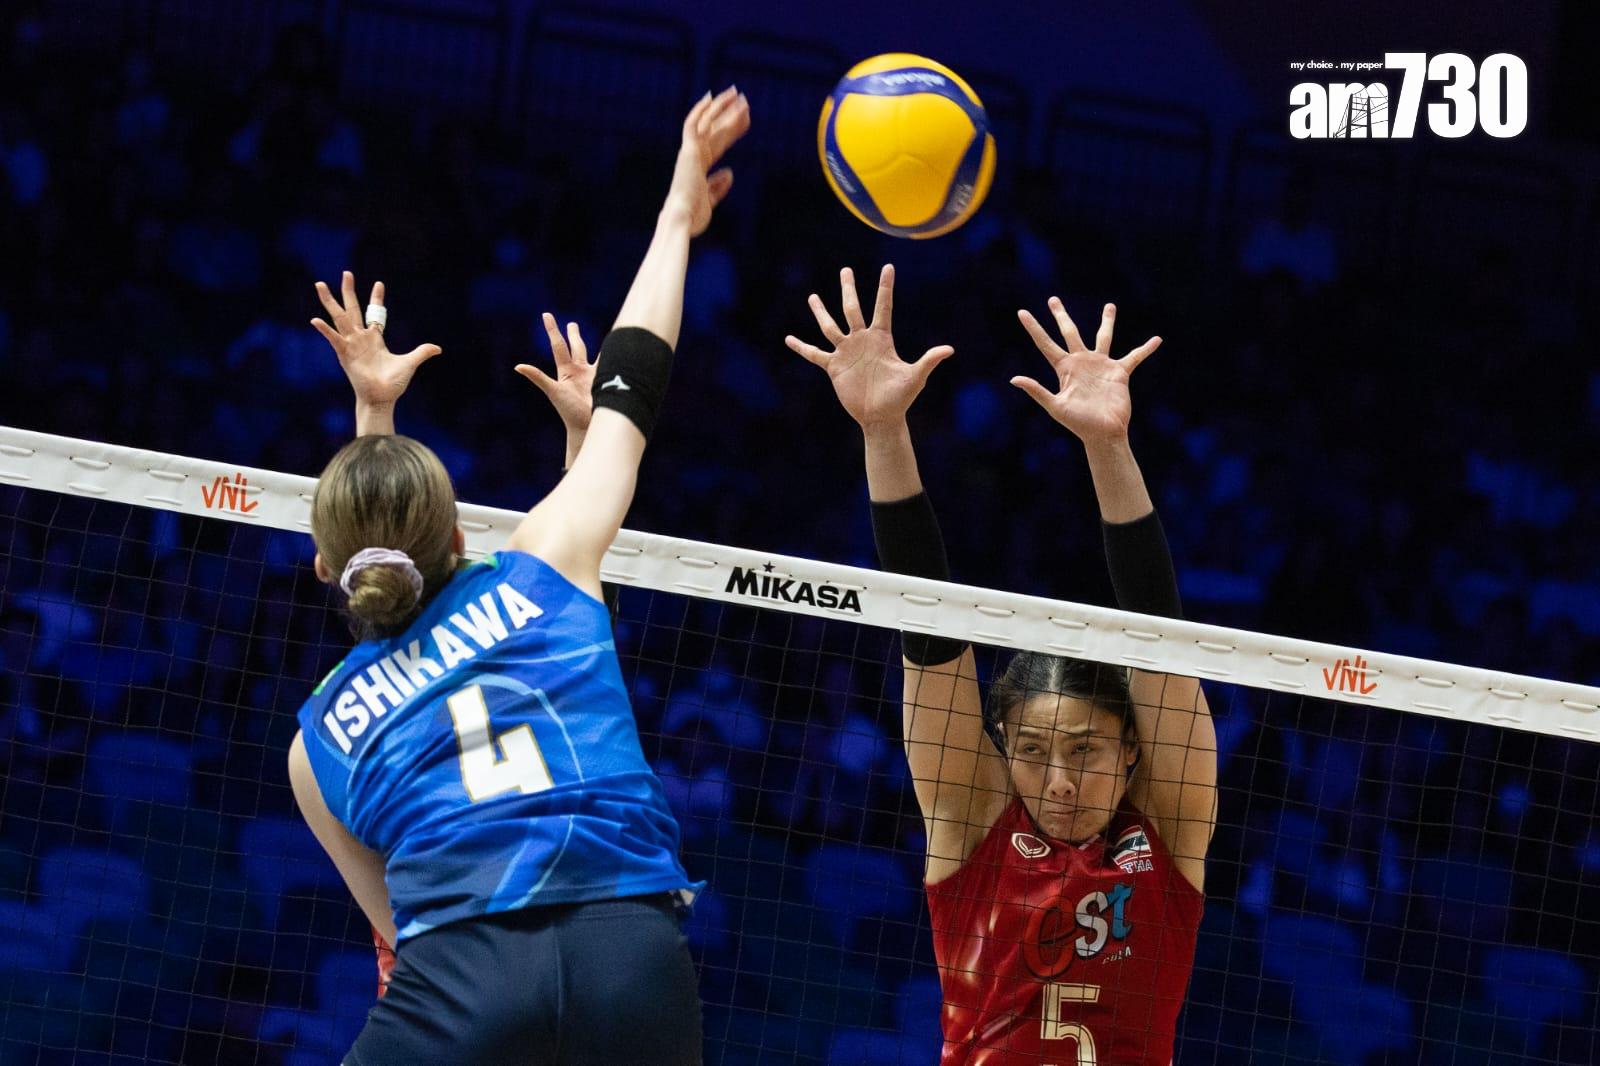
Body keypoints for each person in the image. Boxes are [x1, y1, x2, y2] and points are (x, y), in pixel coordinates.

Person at [285, 86, 750, 1065]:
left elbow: (398, 925)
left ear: (323, 565)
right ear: (462, 532)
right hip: (633, 956)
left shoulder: (315, 739)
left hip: (463, 978)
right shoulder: (544, 561)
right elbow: (635, 379)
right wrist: (675, 213)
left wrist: (373, 419)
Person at [787, 266, 1217, 1065]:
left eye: (1084, 751)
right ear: (1002, 751)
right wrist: (884, 431)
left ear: (1131, 750)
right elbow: (927, 624)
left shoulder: (1168, 827)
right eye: (1032, 751)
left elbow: (1161, 638)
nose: (1059, 780)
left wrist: (1109, 447)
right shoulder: (975, 819)